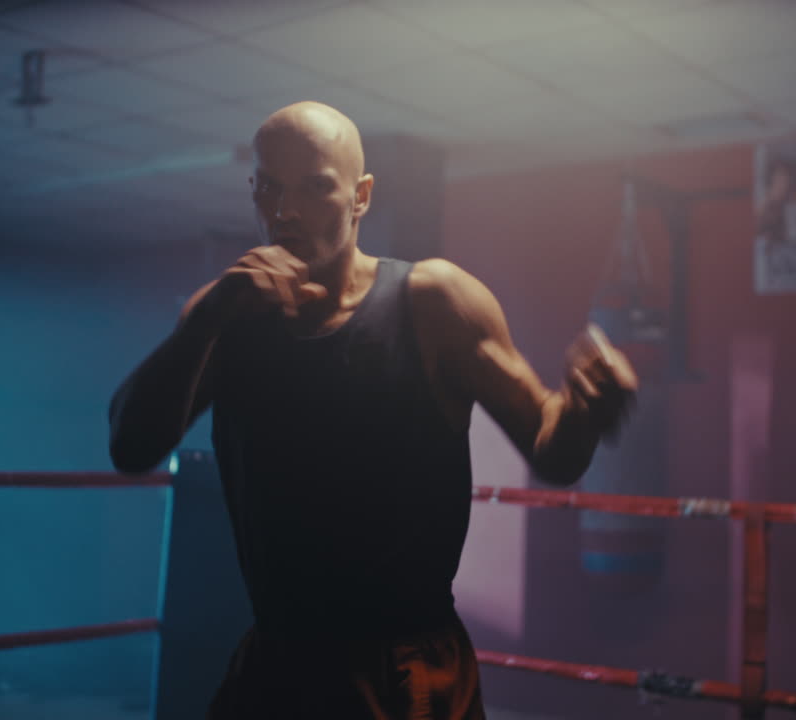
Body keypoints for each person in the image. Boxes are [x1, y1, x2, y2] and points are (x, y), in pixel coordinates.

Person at [108, 101, 638, 719]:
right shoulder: (227, 317)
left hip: (407, 672)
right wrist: (204, 320)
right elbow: (130, 447)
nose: (286, 213)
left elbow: (553, 450)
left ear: (361, 197)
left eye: (316, 189)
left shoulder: (435, 301)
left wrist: (583, 409)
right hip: (279, 661)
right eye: (271, 189)